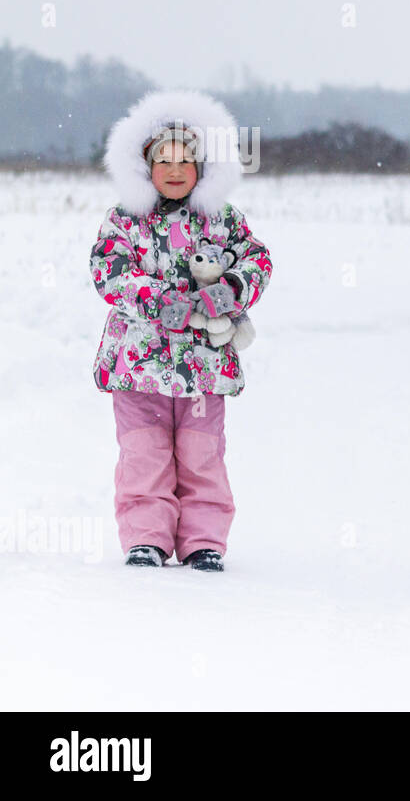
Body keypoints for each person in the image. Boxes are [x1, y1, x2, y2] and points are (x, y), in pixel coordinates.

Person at [90, 90, 272, 571]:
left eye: (186, 161)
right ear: (143, 167)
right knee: (143, 454)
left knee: (201, 455)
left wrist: (230, 289)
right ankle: (145, 537)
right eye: (163, 161)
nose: (174, 170)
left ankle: (203, 540)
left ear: (204, 167)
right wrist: (155, 298)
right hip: (138, 366)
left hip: (203, 368)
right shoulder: (125, 220)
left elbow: (258, 260)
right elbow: (109, 269)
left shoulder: (223, 220)